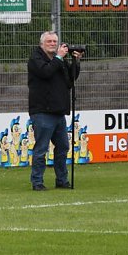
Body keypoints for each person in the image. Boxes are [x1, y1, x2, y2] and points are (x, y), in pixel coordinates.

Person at [27, 31, 81, 191]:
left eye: (54, 41)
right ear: (42, 43)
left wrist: (76, 62)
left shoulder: (61, 61)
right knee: (41, 148)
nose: (52, 43)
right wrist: (58, 58)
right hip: (43, 111)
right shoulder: (36, 59)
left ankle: (61, 179)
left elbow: (70, 81)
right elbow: (46, 72)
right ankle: (37, 181)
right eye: (49, 41)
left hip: (59, 112)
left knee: (63, 147)